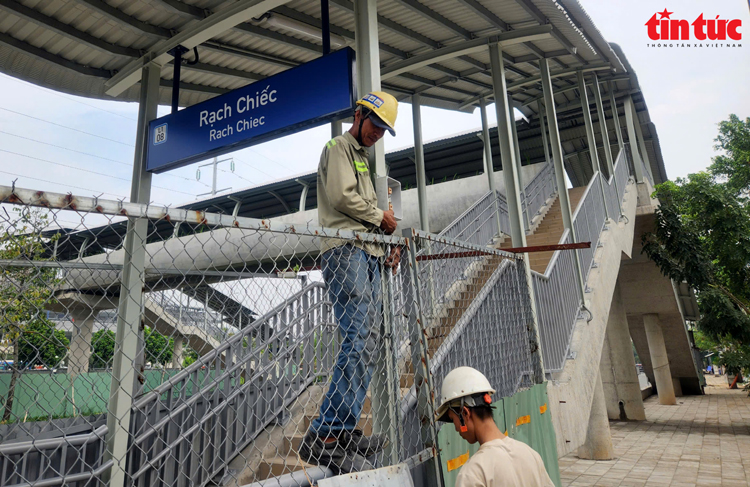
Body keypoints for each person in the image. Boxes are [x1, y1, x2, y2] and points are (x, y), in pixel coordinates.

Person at [299, 91, 401, 474]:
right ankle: (325, 431)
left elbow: (373, 218)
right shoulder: (337, 147)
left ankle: (341, 429)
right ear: (358, 114)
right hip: (345, 250)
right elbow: (342, 199)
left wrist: (387, 242)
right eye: (375, 124)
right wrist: (380, 218)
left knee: (368, 341)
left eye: (383, 129)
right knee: (357, 337)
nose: (378, 133)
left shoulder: (363, 158)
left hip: (368, 252)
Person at [436, 367, 555, 487]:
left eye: (452, 419)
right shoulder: (530, 454)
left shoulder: (473, 474)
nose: (456, 428)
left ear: (465, 413)